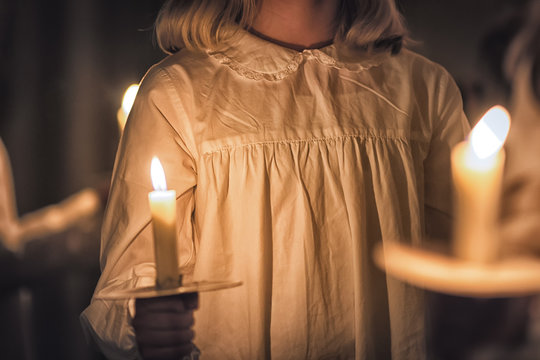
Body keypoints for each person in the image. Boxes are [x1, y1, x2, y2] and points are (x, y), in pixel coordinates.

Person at [81, 0, 469, 358]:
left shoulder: (423, 90)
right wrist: (147, 322)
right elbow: (128, 281)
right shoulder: (177, 95)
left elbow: (461, 266)